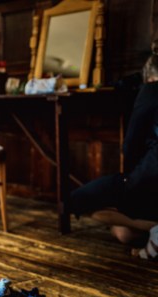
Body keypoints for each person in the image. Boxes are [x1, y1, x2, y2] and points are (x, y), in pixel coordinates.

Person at [70, 49, 158, 259]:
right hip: (151, 179)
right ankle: (152, 231)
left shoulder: (151, 90)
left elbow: (130, 146)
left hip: (150, 176)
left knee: (77, 201)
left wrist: (129, 177)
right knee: (123, 233)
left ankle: (155, 227)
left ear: (150, 75)